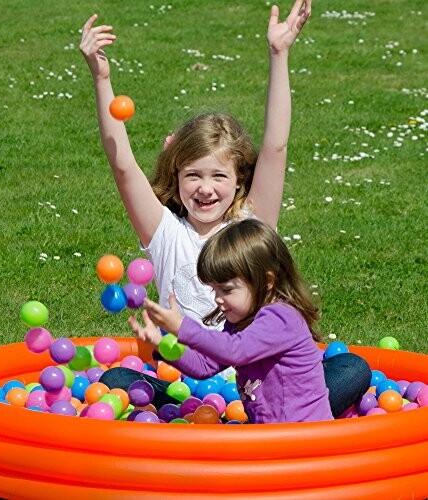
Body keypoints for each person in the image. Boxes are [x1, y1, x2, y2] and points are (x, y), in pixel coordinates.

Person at [80, 0, 311, 325]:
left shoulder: (251, 226)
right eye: (193, 175)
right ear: (176, 176)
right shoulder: (165, 233)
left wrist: (279, 54)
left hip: (249, 375)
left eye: (218, 175)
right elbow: (123, 166)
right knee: (119, 378)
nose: (205, 188)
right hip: (181, 373)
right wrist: (101, 78)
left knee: (350, 368)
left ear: (238, 179)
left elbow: (275, 147)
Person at [130, 218, 335, 423]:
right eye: (214, 289)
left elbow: (235, 351)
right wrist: (161, 344)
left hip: (302, 437)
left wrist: (182, 327)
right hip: (271, 434)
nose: (217, 299)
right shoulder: (240, 323)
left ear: (267, 281)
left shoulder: (282, 317)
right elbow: (203, 366)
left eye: (226, 290)